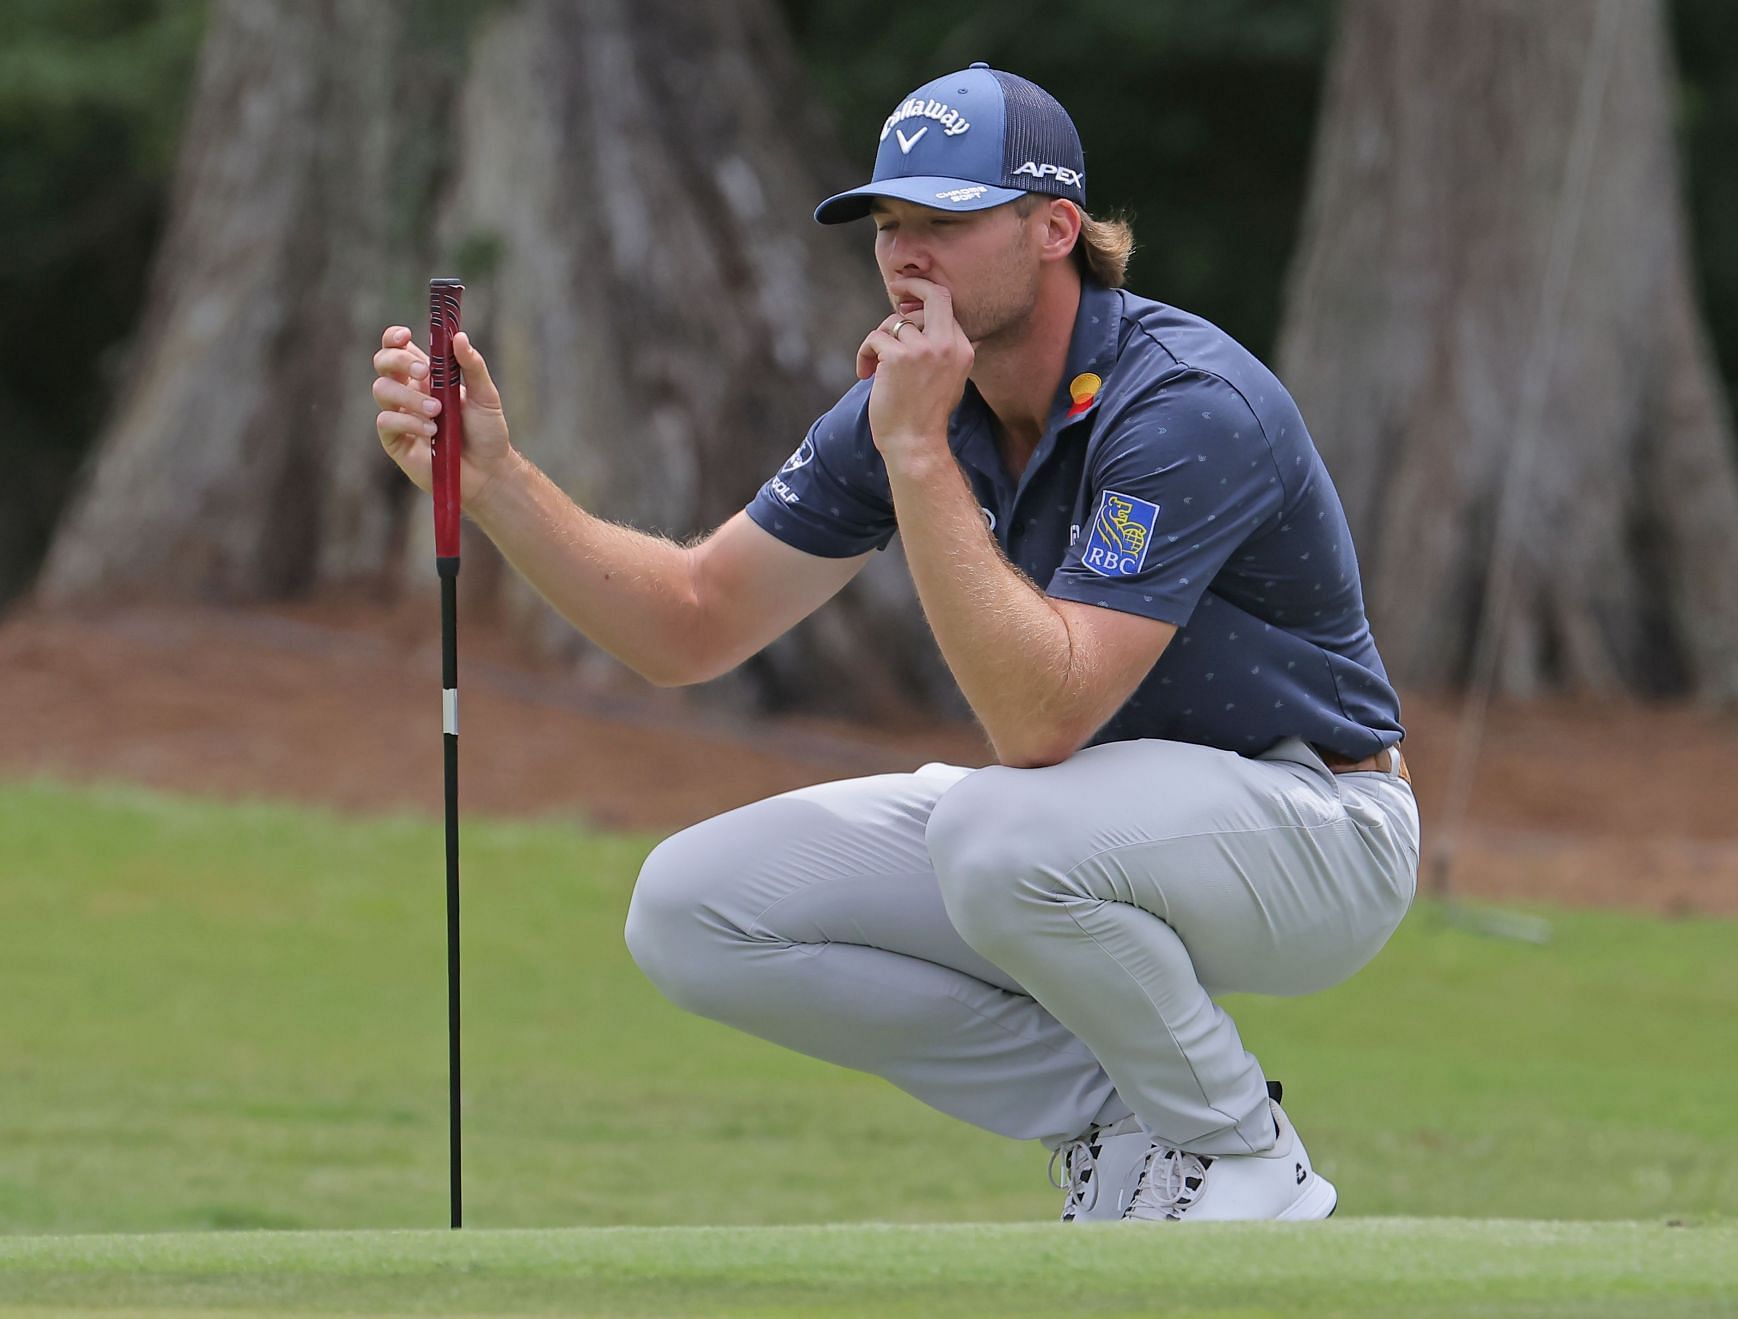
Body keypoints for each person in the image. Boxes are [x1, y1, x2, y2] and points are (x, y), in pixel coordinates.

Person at [370, 64, 1417, 1223]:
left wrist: (916, 452)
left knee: (994, 829)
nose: (907, 255)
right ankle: (1124, 1117)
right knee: (692, 909)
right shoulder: (920, 402)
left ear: (1054, 228)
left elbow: (1041, 717)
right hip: (1072, 821)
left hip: (1321, 827)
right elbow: (692, 622)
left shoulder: (1179, 402)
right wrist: (500, 480)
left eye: (947, 223)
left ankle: (1237, 1150)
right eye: (890, 225)